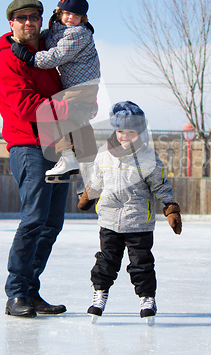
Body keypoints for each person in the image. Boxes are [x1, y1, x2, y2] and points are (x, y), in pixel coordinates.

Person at [0, 0, 71, 318]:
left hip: (57, 147)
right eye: (21, 18)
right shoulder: (8, 61)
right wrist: (71, 109)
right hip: (28, 147)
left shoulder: (46, 57)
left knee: (52, 223)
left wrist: (70, 3)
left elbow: (73, 27)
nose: (28, 22)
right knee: (34, 218)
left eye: (34, 17)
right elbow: (27, 106)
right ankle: (15, 293)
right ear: (11, 24)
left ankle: (31, 289)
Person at [77, 101, 182, 325]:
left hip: (139, 221)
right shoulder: (104, 156)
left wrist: (170, 208)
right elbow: (96, 180)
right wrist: (87, 196)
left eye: (131, 132)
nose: (125, 136)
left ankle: (147, 298)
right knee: (106, 261)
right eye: (121, 131)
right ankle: (100, 294)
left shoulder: (149, 159)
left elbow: (161, 185)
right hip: (109, 220)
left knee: (141, 263)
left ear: (140, 133)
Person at [11, 0, 100, 183]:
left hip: (81, 85)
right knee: (78, 123)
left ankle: (67, 158)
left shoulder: (78, 34)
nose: (70, 18)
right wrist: (7, 40)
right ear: (59, 13)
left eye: (76, 16)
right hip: (77, 85)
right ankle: (89, 169)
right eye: (67, 13)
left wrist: (30, 57)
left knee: (55, 115)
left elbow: (55, 56)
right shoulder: (57, 29)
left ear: (82, 19)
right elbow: (42, 37)